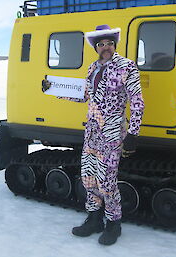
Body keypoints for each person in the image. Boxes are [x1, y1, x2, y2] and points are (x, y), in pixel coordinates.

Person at [42, 24, 144, 245]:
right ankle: (94, 219)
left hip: (112, 133)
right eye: (101, 44)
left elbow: (137, 102)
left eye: (109, 43)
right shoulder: (92, 69)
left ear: (114, 45)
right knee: (89, 179)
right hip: (92, 133)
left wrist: (133, 134)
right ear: (96, 47)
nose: (105, 47)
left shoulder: (127, 67)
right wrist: (54, 88)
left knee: (107, 181)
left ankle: (113, 224)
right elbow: (83, 95)